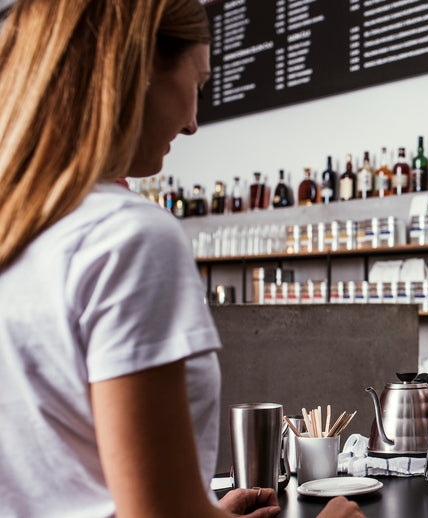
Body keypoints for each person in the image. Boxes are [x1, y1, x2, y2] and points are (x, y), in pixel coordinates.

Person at [0, 2, 363, 517]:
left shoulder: (20, 229)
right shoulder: (128, 237)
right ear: (141, 70)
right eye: (199, 84)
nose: (193, 123)